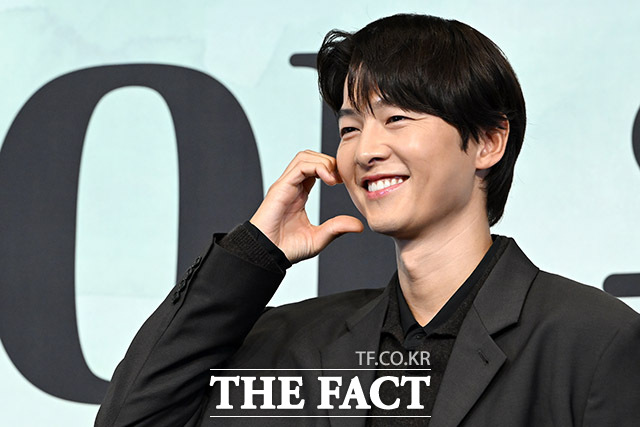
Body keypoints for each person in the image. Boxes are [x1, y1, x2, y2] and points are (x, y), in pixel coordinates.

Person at [95, 14, 640, 427]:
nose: (366, 151)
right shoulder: (297, 343)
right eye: (350, 128)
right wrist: (254, 252)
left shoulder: (592, 339)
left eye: (397, 118)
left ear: (488, 142)